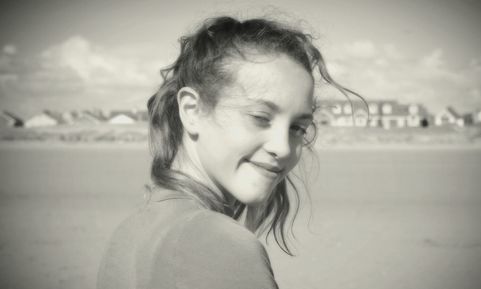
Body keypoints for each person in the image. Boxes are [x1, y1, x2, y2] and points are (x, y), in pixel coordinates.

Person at [97, 15, 354, 289]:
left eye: (297, 128)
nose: (282, 147)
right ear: (191, 111)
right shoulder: (216, 243)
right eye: (260, 117)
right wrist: (235, 244)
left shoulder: (132, 231)